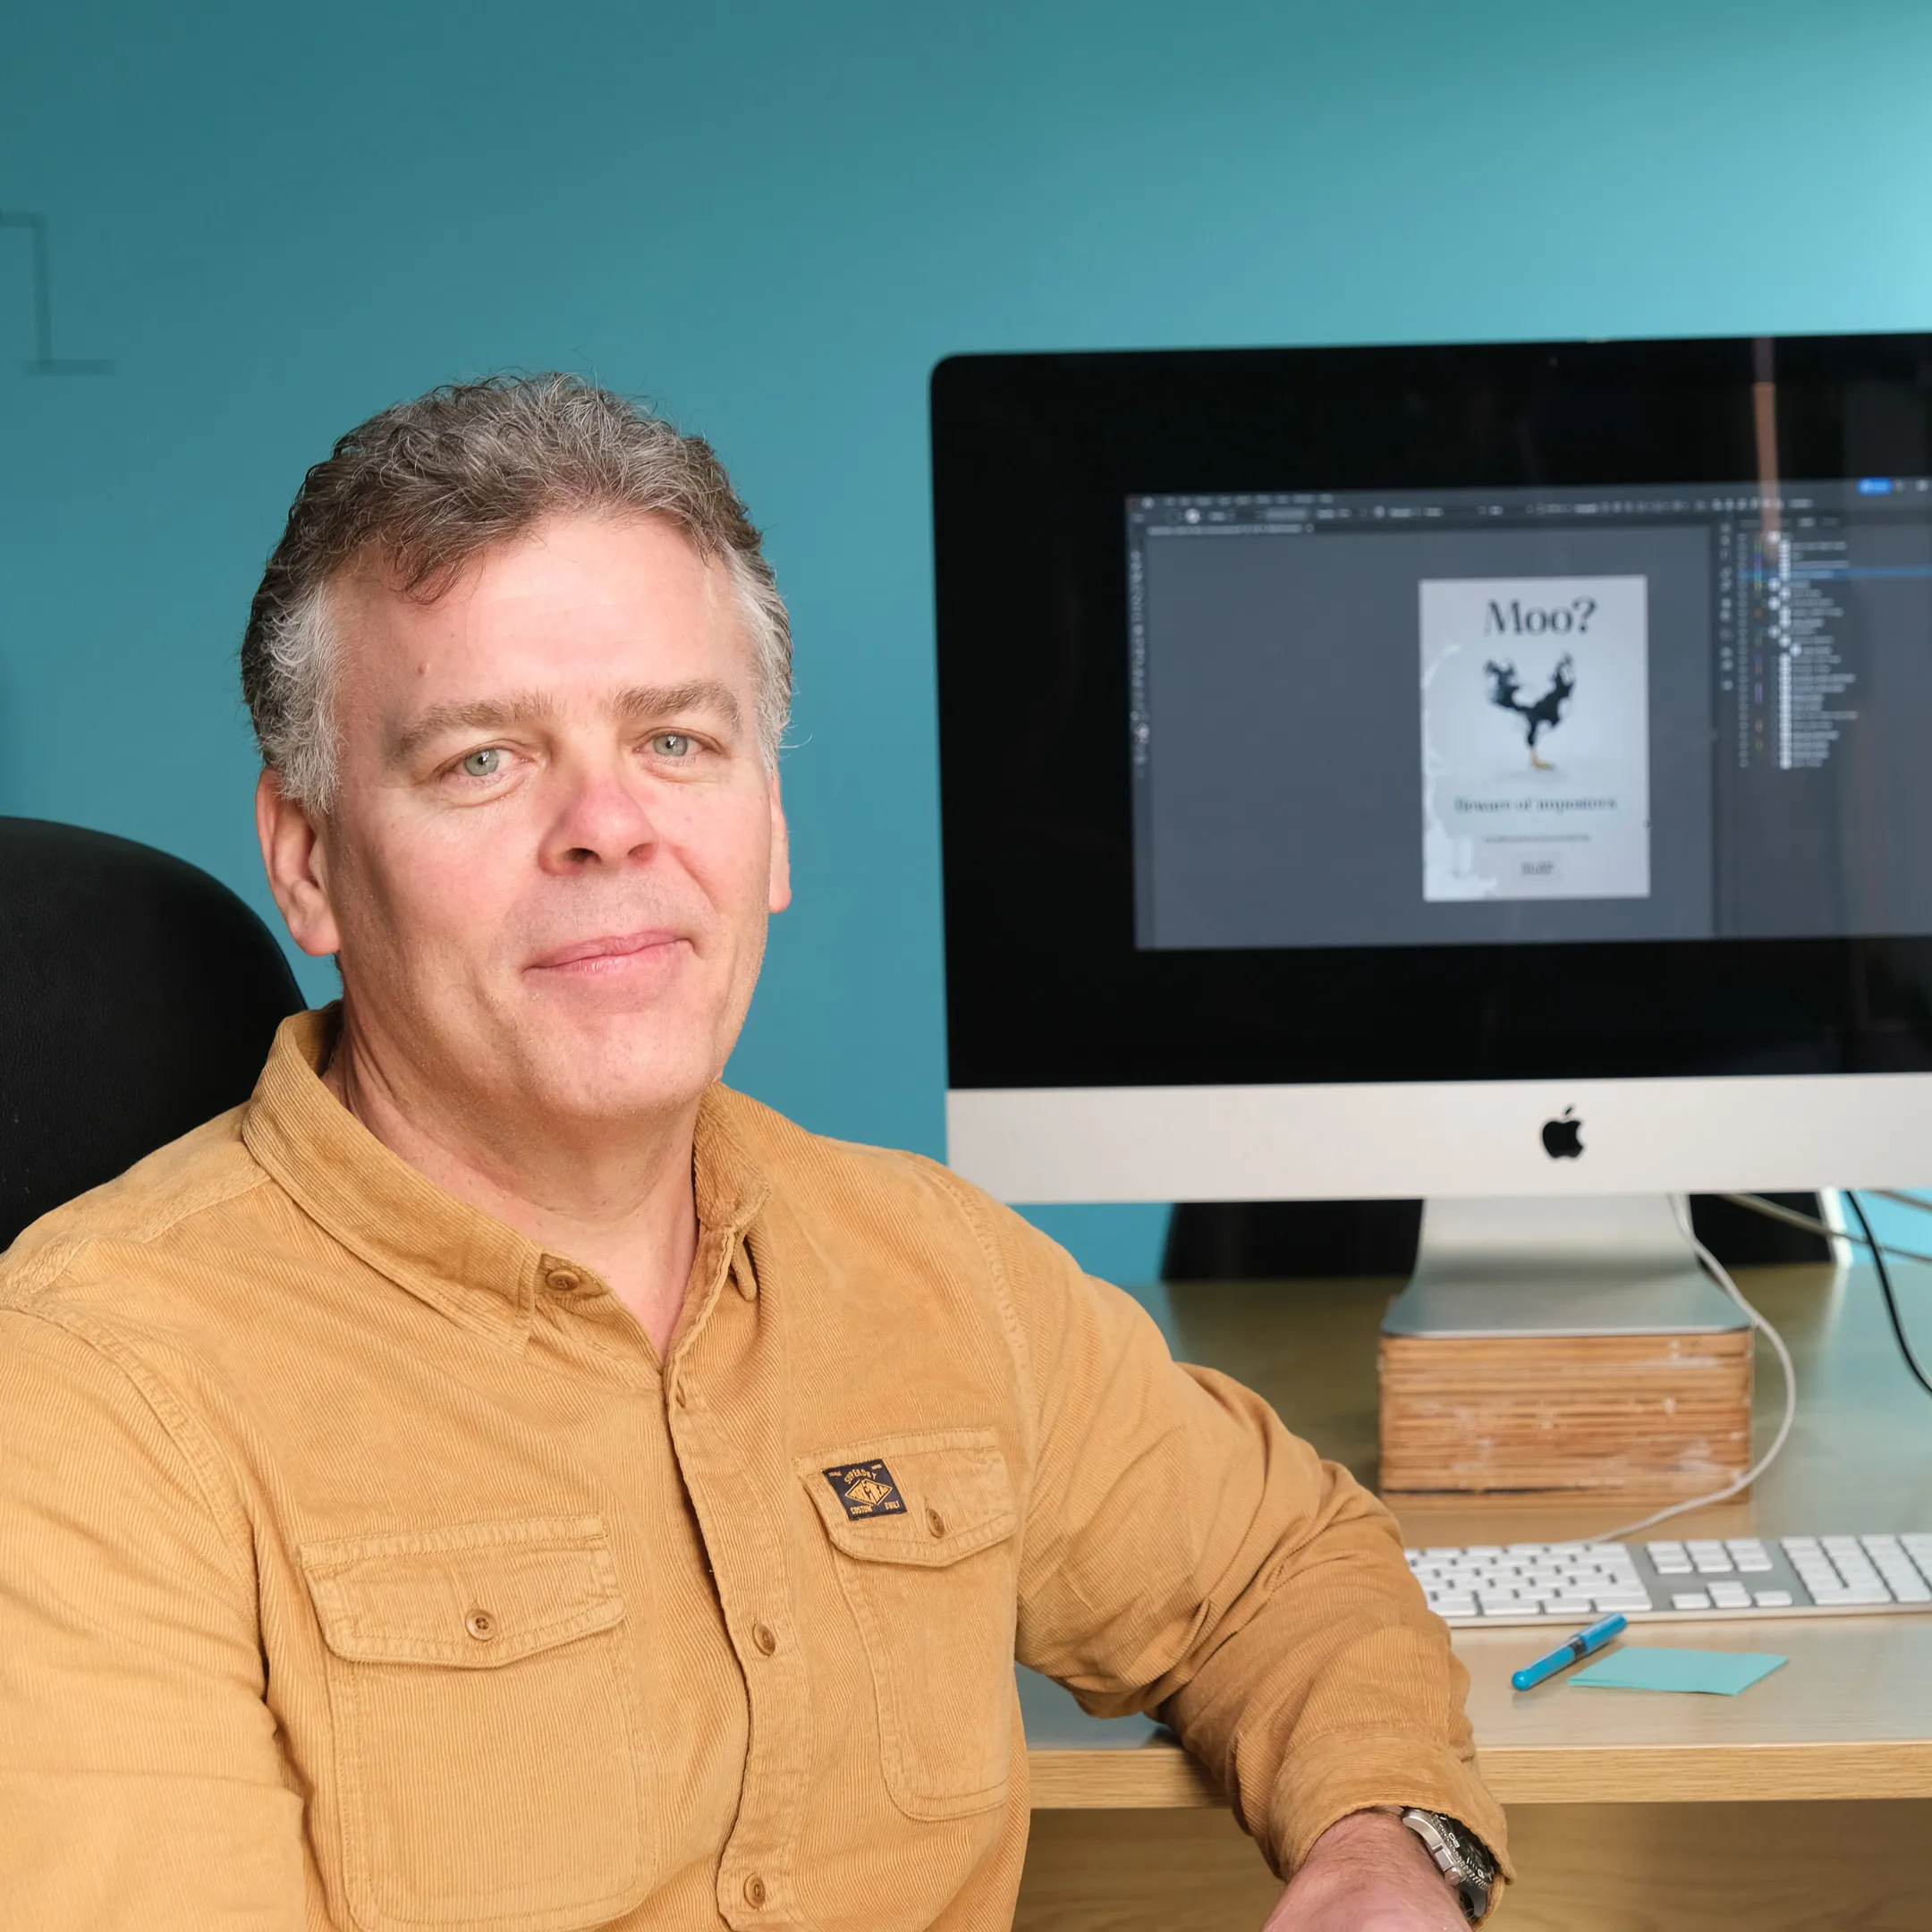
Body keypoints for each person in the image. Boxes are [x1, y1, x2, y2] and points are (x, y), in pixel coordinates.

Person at [0, 376, 1507, 1931]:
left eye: (675, 740)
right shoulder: (89, 1411)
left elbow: (1281, 1564)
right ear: (310, 865)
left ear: (770, 826)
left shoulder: (932, 1268)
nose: (609, 827)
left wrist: (1387, 1850)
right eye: (483, 762)